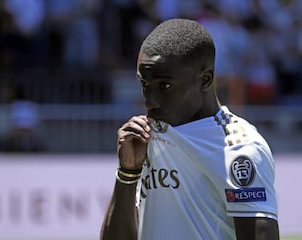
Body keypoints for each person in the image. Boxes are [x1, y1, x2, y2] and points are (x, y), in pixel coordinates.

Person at [100, 19, 279, 239]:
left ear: (205, 80)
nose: (150, 101)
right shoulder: (148, 138)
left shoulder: (240, 148)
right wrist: (127, 173)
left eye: (165, 85)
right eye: (144, 84)